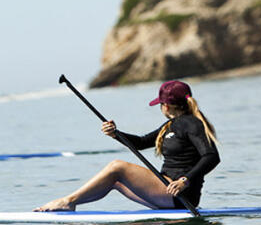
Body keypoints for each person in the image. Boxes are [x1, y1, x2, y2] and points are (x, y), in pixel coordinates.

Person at [38, 79, 220, 213]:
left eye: (161, 104)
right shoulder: (170, 126)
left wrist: (184, 180)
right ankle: (72, 206)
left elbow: (211, 156)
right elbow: (140, 143)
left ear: (167, 105)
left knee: (117, 166)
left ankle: (68, 201)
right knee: (114, 180)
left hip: (180, 194)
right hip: (167, 190)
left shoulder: (191, 123)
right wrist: (115, 133)